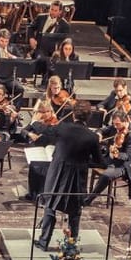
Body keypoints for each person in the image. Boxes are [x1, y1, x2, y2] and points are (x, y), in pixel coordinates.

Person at [35, 102, 104, 250]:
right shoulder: (92, 137)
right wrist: (85, 162)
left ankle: (43, 242)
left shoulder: (62, 128)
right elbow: (100, 162)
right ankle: (71, 246)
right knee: (75, 212)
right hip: (77, 178)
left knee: (50, 206)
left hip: (57, 173)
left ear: (73, 114)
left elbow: (44, 130)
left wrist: (34, 122)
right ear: (89, 117)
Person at [84, 111, 131, 206]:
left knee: (106, 175)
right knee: (84, 160)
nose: (115, 126)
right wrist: (99, 134)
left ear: (125, 121)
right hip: (109, 159)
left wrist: (117, 154)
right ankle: (82, 193)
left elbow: (128, 156)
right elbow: (101, 130)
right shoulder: (115, 127)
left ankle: (89, 199)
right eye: (114, 124)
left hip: (122, 166)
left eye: (117, 124)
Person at [0, 28, 25, 97]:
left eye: (6, 41)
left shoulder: (13, 48)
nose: (4, 43)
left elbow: (21, 60)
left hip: (10, 78)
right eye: (2, 41)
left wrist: (12, 57)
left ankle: (14, 104)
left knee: (20, 89)